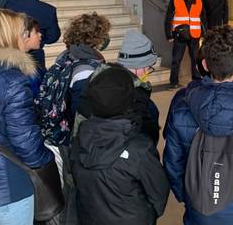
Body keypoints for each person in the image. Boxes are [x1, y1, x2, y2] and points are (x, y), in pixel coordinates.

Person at [164, 25, 233, 225]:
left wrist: (186, 195)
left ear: (205, 65)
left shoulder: (182, 106)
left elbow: (173, 162)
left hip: (198, 203)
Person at [0, 8, 54, 224]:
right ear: (5, 35)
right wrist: (49, 159)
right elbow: (26, 143)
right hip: (8, 186)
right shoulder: (11, 80)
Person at [71, 66, 169, 225]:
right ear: (129, 100)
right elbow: (159, 192)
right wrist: (148, 216)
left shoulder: (79, 140)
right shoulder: (139, 148)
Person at [78, 30, 161, 146]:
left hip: (88, 150)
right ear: (138, 65)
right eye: (148, 68)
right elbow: (146, 140)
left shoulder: (96, 79)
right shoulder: (135, 96)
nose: (148, 72)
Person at [164, 0, 204, 89]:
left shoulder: (199, 0)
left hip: (195, 34)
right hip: (180, 34)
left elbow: (203, 18)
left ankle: (196, 79)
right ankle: (173, 81)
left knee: (196, 58)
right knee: (176, 59)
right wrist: (169, 34)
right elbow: (168, 17)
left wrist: (204, 34)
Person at [22, 16, 45, 98]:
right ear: (25, 35)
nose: (40, 34)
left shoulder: (29, 62)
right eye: (36, 32)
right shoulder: (21, 69)